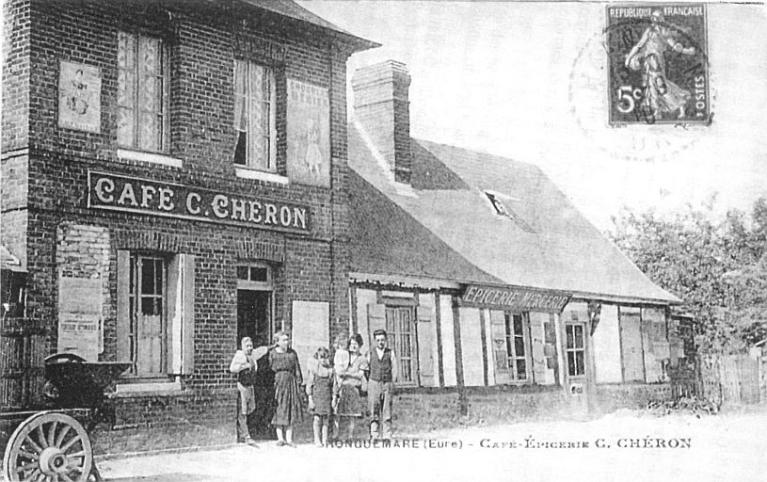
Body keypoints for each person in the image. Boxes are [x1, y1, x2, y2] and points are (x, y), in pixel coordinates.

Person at [624, 9, 697, 121]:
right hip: (649, 61)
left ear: (661, 19)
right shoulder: (649, 31)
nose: (654, 20)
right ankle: (657, 110)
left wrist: (687, 51)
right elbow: (639, 45)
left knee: (660, 85)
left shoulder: (664, 32)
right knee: (651, 85)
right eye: (653, 17)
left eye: (657, 18)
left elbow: (675, 46)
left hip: (657, 61)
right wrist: (629, 57)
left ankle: (679, 105)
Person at [269, 331, 304, 446]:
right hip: (278, 382)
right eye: (284, 340)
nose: (287, 342)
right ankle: (280, 438)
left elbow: (297, 369)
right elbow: (268, 370)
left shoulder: (292, 353)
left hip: (290, 382)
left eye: (287, 339)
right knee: (279, 408)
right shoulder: (273, 354)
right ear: (277, 342)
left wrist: (299, 383)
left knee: (290, 407)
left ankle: (289, 439)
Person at [335, 334, 368, 440]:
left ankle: (350, 436)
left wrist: (347, 373)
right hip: (343, 387)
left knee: (352, 415)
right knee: (339, 412)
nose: (353, 346)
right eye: (351, 344)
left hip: (354, 388)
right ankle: (337, 435)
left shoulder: (362, 359)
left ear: (360, 345)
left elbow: (360, 375)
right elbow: (338, 368)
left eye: (356, 344)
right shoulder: (344, 355)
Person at [367, 329, 399, 440]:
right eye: (378, 340)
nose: (380, 342)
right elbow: (366, 369)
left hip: (387, 384)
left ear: (386, 340)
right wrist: (370, 382)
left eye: (382, 340)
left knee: (387, 410)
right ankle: (374, 434)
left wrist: (392, 383)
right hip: (374, 383)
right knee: (373, 409)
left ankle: (387, 435)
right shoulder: (370, 353)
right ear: (375, 341)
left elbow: (394, 368)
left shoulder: (390, 353)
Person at [229, 337, 259, 447]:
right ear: (242, 347)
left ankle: (243, 431)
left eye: (251, 346)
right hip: (242, 386)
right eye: (247, 346)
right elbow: (232, 368)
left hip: (250, 386)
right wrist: (242, 366)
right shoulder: (240, 355)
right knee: (243, 412)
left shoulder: (252, 356)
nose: (250, 348)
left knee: (251, 408)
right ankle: (245, 435)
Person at [306, 347, 335, 447]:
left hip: (326, 396)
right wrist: (310, 399)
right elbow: (309, 385)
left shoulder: (330, 371)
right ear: (317, 358)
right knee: (317, 418)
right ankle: (316, 439)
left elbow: (334, 386)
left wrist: (334, 398)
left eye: (326, 357)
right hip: (317, 396)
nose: (324, 360)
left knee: (326, 419)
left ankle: (325, 439)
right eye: (321, 357)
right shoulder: (314, 370)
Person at [331, 333, 350, 440]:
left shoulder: (344, 353)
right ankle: (335, 433)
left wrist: (340, 373)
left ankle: (340, 433)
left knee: (341, 408)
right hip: (337, 379)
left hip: (342, 380)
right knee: (336, 408)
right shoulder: (339, 353)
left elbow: (344, 367)